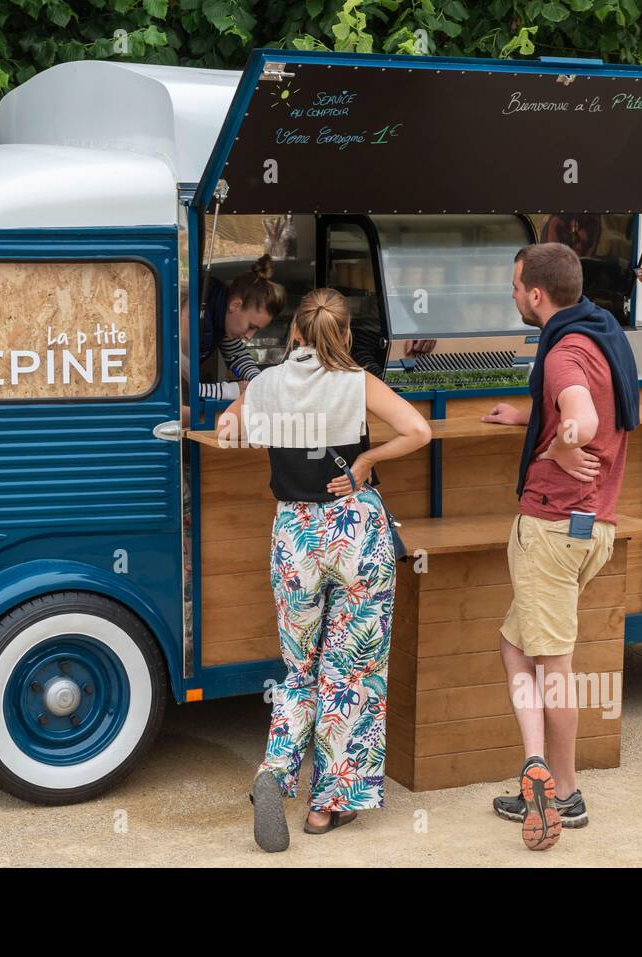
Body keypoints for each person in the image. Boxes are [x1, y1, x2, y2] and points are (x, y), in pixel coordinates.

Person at [218, 288, 431, 853]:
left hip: (295, 535)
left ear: (294, 333)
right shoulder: (357, 383)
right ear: (343, 335)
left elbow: (228, 429)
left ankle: (275, 772)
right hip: (355, 529)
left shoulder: (265, 384)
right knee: (351, 672)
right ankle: (327, 806)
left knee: (298, 670)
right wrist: (363, 462)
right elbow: (418, 430)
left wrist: (245, 422)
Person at [480, 243, 639, 851]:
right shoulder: (599, 334)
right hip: (592, 527)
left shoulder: (561, 354)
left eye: (516, 287)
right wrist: (529, 421)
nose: (513, 295)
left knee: (553, 668)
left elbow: (583, 416)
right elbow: (585, 406)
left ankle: (562, 793)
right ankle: (535, 771)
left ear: (537, 295)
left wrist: (562, 443)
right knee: (515, 644)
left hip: (550, 527)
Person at [196, 255, 286, 401]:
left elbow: (237, 355)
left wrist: (258, 382)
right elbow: (177, 389)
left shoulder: (220, 316)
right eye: (251, 326)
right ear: (235, 305)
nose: (249, 337)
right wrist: (229, 391)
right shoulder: (193, 316)